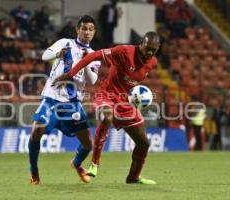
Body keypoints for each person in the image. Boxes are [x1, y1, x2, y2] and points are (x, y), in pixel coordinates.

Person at [53, 31, 160, 184]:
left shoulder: (153, 62)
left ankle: (133, 177)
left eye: (153, 50)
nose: (149, 52)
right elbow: (93, 56)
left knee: (144, 143)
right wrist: (71, 74)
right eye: (147, 48)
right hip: (106, 95)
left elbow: (130, 79)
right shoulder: (124, 51)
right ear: (141, 43)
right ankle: (95, 163)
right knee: (107, 117)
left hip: (125, 102)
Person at [28, 15, 100, 185]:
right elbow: (45, 56)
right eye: (84, 28)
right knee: (37, 130)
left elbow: (92, 81)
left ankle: (76, 164)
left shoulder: (93, 55)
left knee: (88, 145)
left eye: (90, 29)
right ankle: (33, 170)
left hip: (72, 105)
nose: (87, 32)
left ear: (94, 32)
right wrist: (57, 53)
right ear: (78, 30)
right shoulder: (64, 43)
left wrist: (85, 60)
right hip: (52, 98)